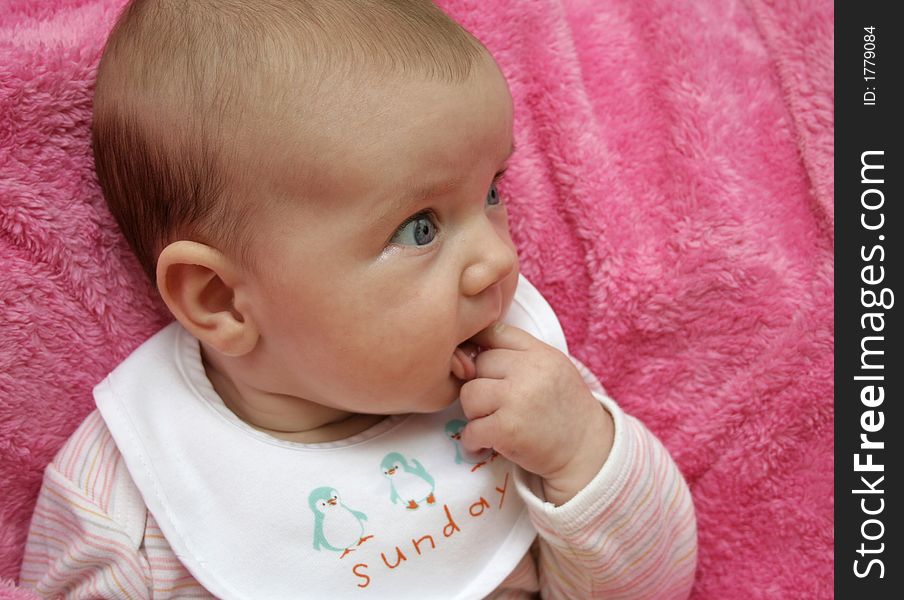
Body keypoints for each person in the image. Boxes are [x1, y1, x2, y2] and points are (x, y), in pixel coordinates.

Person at [20, 1, 697, 597]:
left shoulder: (526, 397)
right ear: (221, 297)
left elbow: (656, 584)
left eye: (492, 192)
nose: (496, 259)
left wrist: (583, 454)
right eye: (420, 228)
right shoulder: (133, 494)